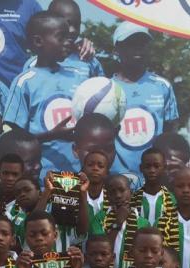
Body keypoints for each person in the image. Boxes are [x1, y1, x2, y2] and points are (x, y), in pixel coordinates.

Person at [3, 11, 79, 177]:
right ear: (38, 41)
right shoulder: (25, 82)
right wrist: (52, 135)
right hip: (41, 176)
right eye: (61, 37)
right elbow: (12, 139)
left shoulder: (78, 77)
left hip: (76, 173)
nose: (68, 42)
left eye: (69, 37)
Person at [112, 24, 179, 181]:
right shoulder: (106, 89)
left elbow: (171, 132)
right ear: (116, 50)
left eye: (142, 43)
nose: (138, 49)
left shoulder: (162, 86)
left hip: (155, 181)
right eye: (130, 44)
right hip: (118, 181)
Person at [22, 0, 102, 81]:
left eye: (77, 25)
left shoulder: (88, 59)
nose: (73, 30)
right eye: (67, 24)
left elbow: (104, 90)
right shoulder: (33, 64)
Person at [91, 174, 148, 268]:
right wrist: (118, 222)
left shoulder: (143, 223)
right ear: (107, 196)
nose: (118, 195)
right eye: (113, 192)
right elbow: (101, 250)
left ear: (130, 193)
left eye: (122, 190)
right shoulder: (99, 219)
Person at [72, 114, 120, 189]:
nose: (100, 157)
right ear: (76, 150)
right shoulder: (66, 192)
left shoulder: (121, 192)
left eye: (108, 149)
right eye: (92, 150)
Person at [133, 147, 176, 226]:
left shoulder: (173, 199)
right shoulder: (133, 199)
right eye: (148, 166)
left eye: (156, 166)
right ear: (141, 168)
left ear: (165, 168)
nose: (152, 170)